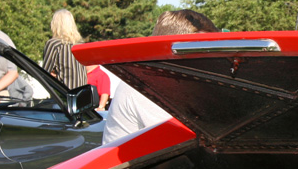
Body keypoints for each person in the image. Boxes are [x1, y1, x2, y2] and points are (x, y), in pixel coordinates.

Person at [102, 9, 218, 144]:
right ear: (174, 50)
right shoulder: (145, 83)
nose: (211, 59)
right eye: (202, 51)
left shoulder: (173, 80)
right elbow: (188, 137)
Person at [41, 9, 87, 89]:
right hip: (82, 92)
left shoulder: (54, 44)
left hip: (64, 92)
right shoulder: (81, 45)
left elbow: (44, 74)